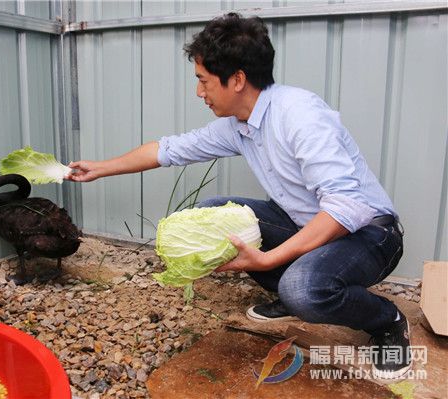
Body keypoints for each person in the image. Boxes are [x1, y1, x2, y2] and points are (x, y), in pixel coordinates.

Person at [66, 13, 410, 380]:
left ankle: (387, 320)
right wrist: (100, 168)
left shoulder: (300, 116)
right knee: (210, 216)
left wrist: (268, 259)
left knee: (304, 289)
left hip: (370, 235)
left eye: (203, 81)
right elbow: (168, 149)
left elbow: (346, 207)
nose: (199, 92)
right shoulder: (240, 125)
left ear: (237, 80)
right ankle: (293, 292)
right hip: (309, 227)